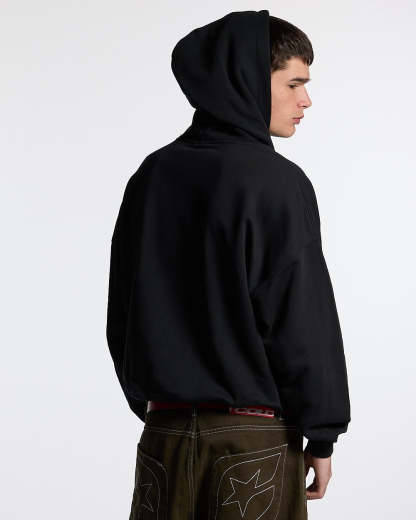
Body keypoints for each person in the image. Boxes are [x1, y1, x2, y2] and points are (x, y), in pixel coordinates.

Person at [106, 10, 351, 519]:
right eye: (294, 83)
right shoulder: (276, 182)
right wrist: (322, 434)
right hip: (252, 442)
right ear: (247, 80)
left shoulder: (151, 176)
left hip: (164, 438)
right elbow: (301, 318)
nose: (306, 100)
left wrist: (161, 405)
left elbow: (121, 315)